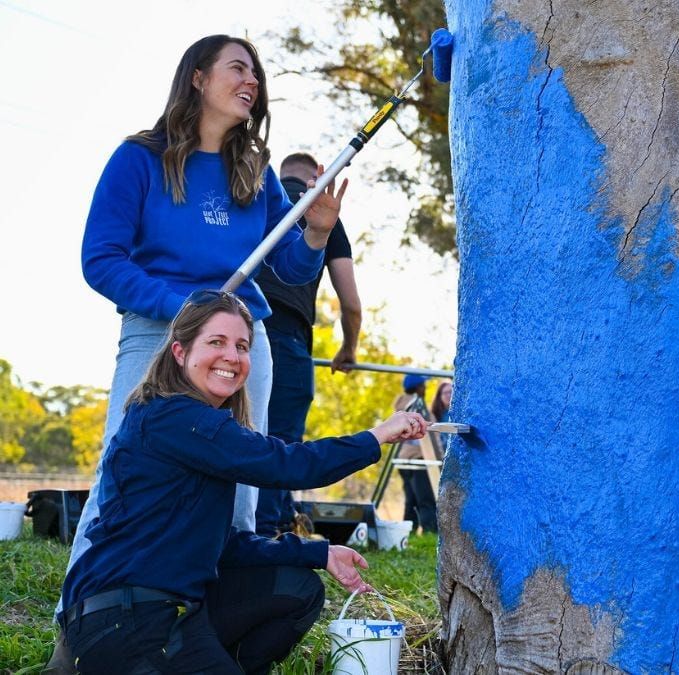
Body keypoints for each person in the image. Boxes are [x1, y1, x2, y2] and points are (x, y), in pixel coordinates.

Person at [54, 35, 349, 671]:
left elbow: (290, 269)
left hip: (244, 335)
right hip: (158, 328)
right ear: (196, 77)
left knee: (240, 485)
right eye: (238, 68)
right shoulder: (139, 159)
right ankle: (72, 635)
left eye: (256, 73)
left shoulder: (256, 172)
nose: (252, 82)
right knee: (120, 475)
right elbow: (101, 258)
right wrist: (184, 309)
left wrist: (317, 233)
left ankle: (203, 628)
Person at [57, 292, 428, 673]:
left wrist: (319, 553)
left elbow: (221, 546)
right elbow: (288, 465)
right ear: (180, 352)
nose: (232, 357)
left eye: (242, 346)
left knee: (296, 587)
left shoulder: (198, 428)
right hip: (126, 621)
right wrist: (376, 436)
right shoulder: (175, 417)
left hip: (174, 611)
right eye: (216, 342)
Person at [255, 152, 363, 537]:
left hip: (232, 328)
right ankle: (267, 537)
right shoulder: (322, 211)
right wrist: (348, 349)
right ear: (310, 177)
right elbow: (350, 304)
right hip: (285, 336)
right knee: (280, 443)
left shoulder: (255, 196)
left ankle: (270, 523)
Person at [393, 375, 439, 533]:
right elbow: (428, 437)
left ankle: (407, 533)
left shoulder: (402, 408)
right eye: (423, 385)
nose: (425, 388)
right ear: (418, 387)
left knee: (411, 500)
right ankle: (430, 532)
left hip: (404, 460)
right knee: (426, 499)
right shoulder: (417, 408)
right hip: (418, 459)